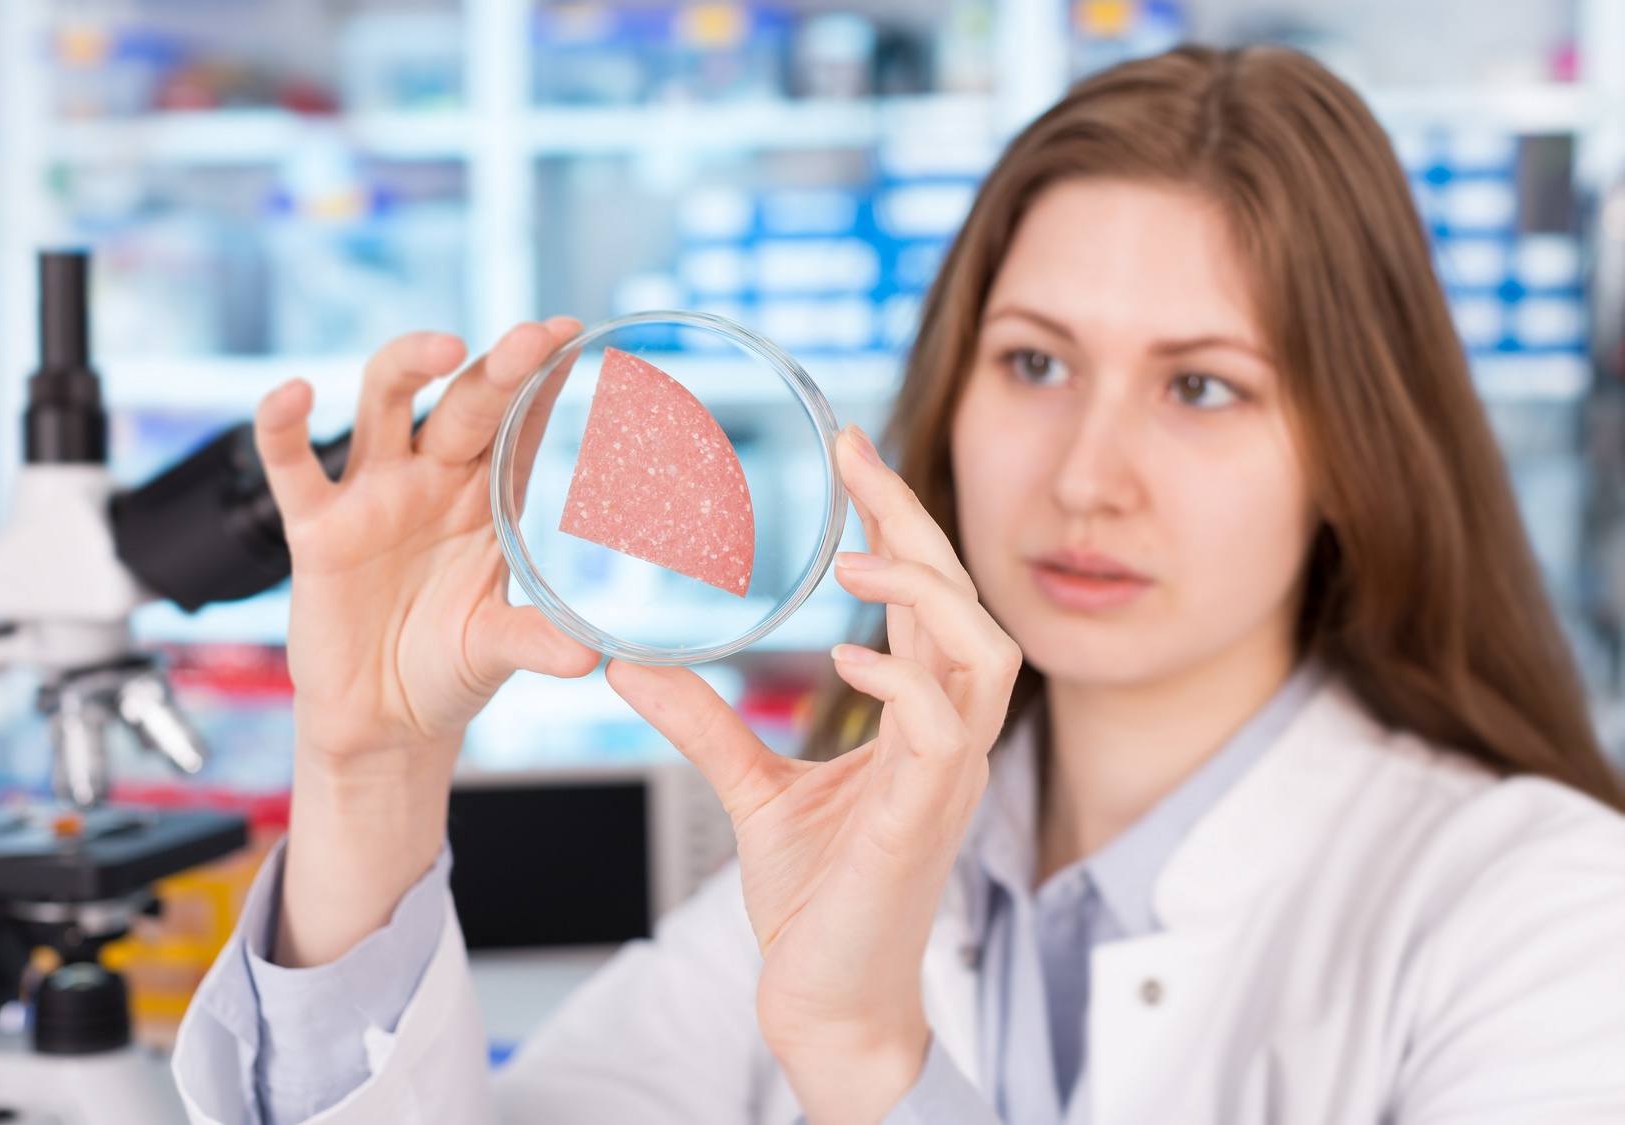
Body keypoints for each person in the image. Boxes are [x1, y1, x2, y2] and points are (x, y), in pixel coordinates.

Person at [172, 45, 1625, 1125]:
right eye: (1036, 363)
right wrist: (367, 767)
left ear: (1355, 448)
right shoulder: (827, 856)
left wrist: (874, 1055)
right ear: (950, 399)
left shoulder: (1543, 912)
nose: (1084, 477)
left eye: (1202, 385)